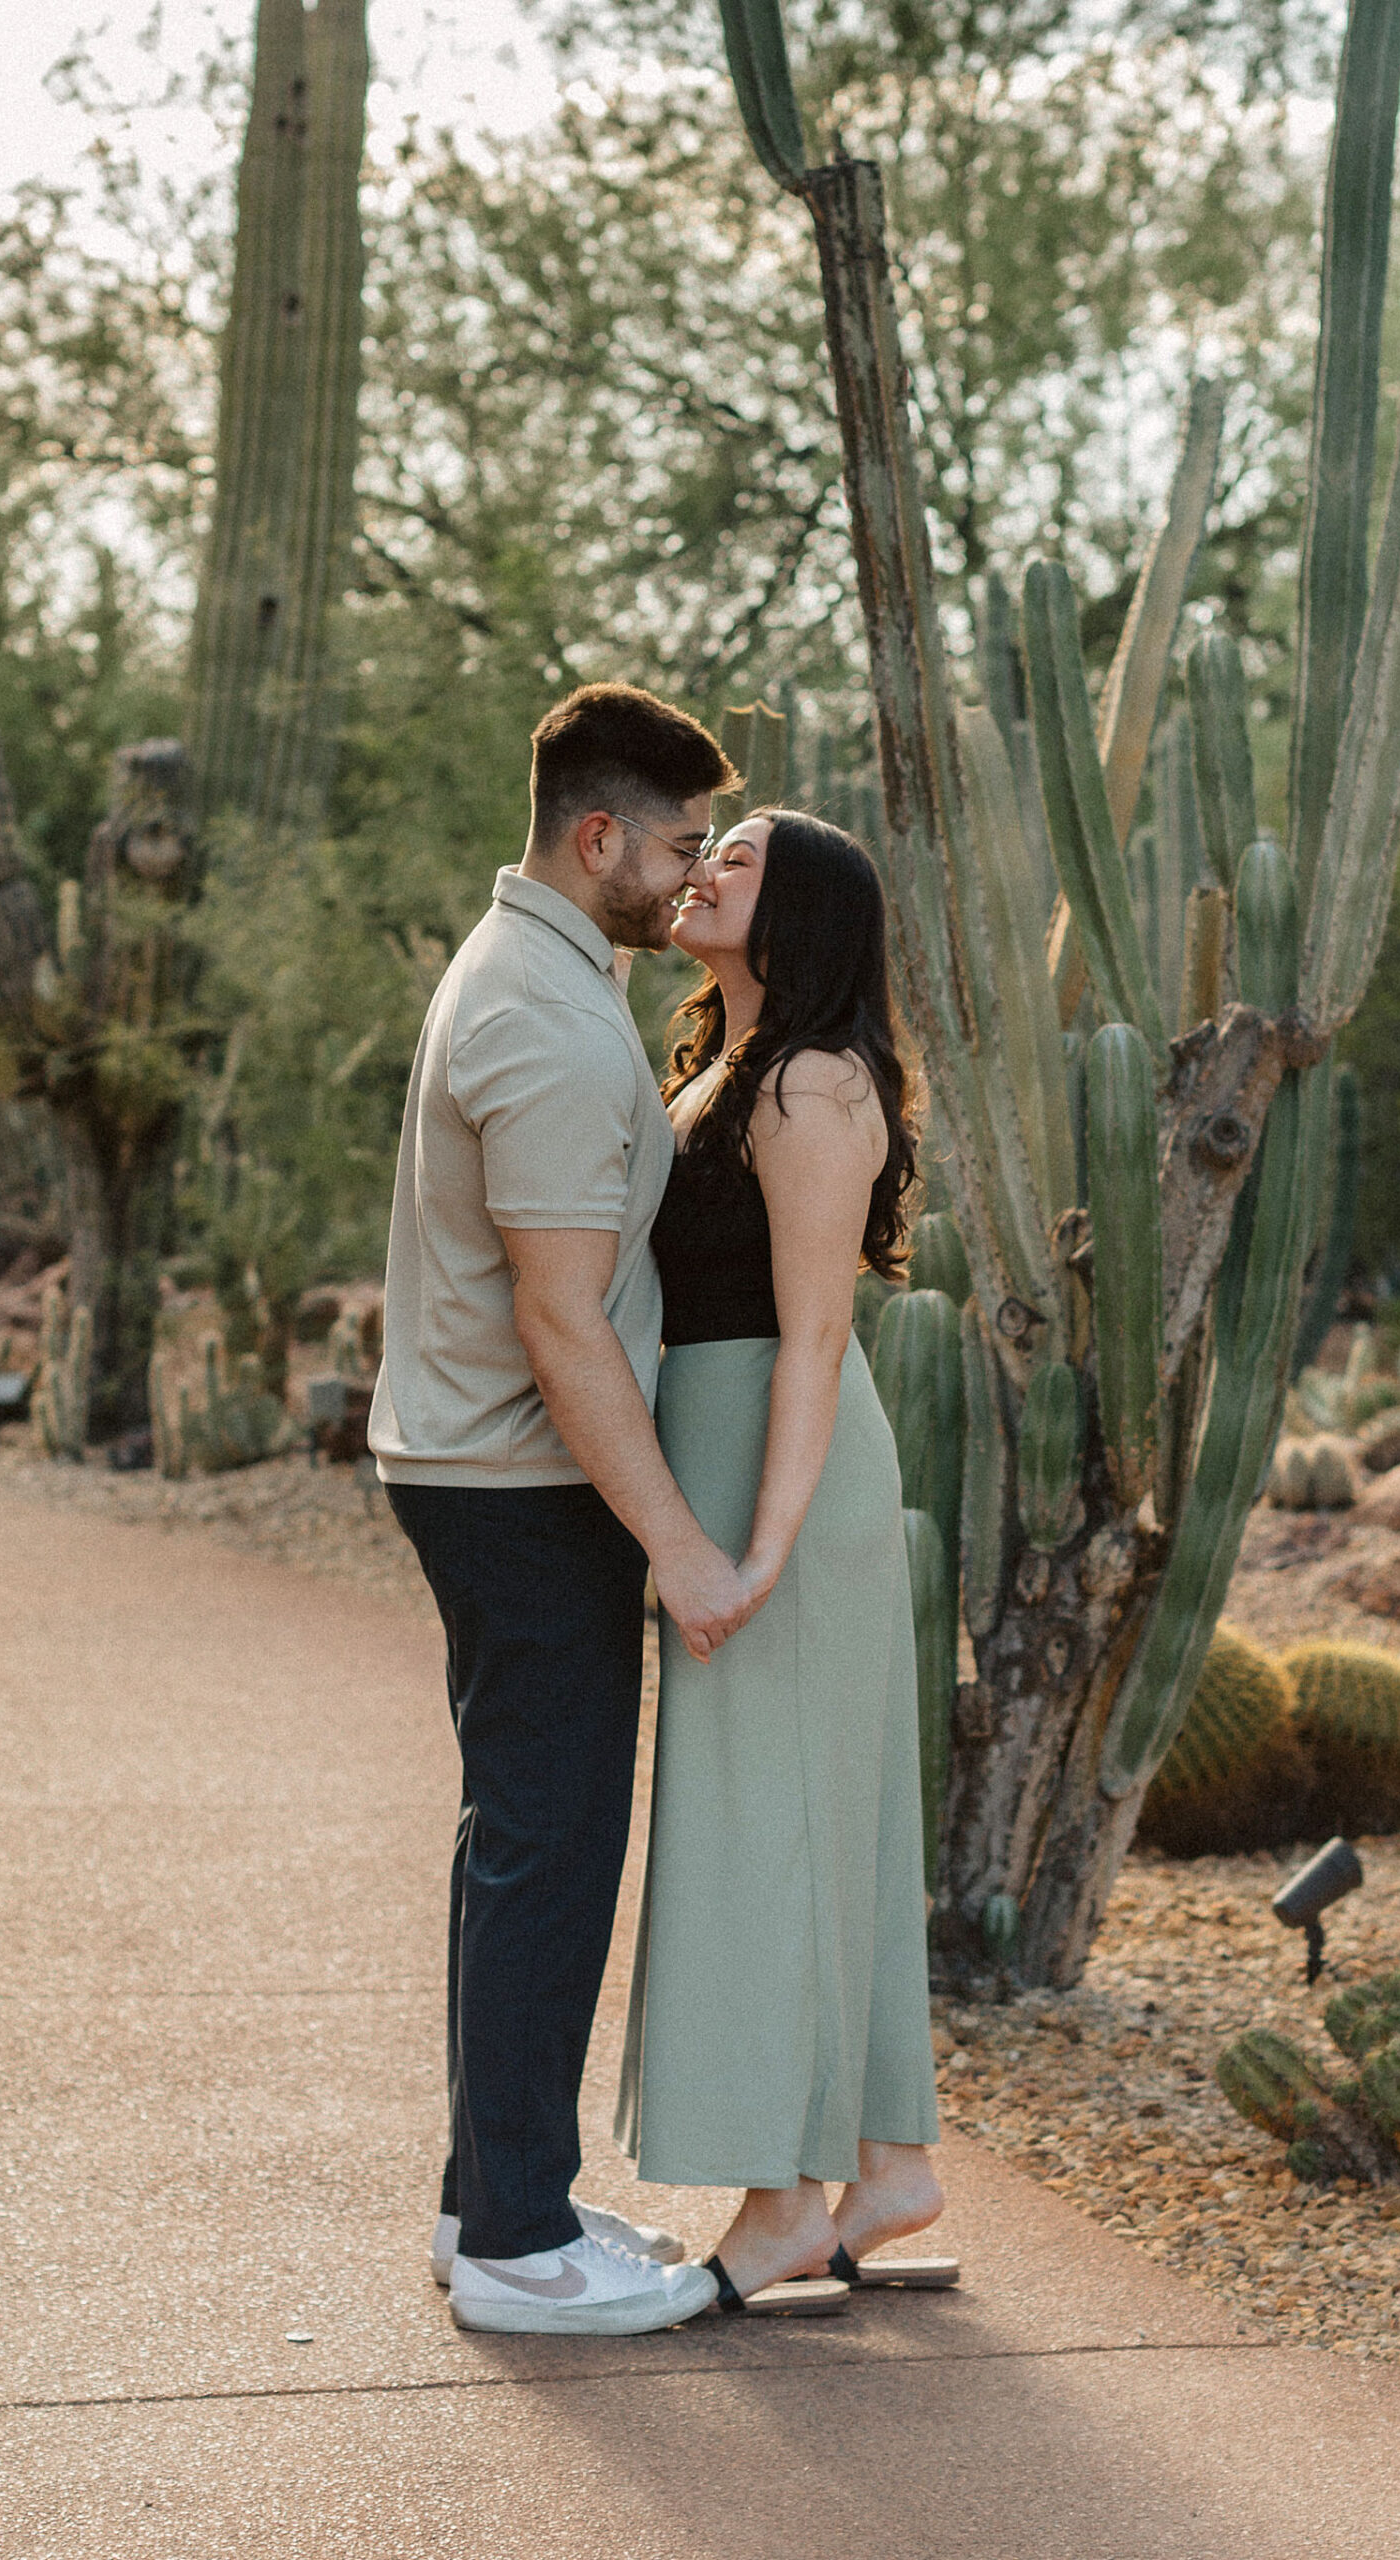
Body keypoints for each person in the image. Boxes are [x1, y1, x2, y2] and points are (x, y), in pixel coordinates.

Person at [370, 683, 761, 2338]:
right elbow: (560, 1316)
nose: (691, 873)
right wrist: (676, 1538)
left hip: (495, 1469)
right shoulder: (534, 1008)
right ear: (595, 836)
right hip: (519, 1481)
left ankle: (497, 2198)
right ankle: (521, 2252)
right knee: (549, 1846)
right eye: (677, 843)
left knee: (521, 1844)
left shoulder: (550, 968)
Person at [615, 807, 951, 2312]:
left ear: (802, 910)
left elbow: (815, 1336)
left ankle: (783, 2206)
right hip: (731, 1450)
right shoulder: (728, 1070)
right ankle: (883, 2172)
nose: (703, 872)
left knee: (778, 1833)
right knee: (810, 1820)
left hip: (783, 1470)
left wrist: (758, 1548)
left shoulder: (813, 1085)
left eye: (737, 860)